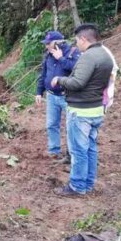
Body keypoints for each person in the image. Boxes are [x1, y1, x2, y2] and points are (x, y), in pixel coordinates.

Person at [51, 24, 114, 196]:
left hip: (81, 111)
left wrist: (60, 79)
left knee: (78, 150)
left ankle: (77, 186)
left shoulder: (88, 57)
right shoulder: (105, 55)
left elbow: (77, 82)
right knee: (90, 148)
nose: (76, 44)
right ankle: (87, 183)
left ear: (84, 39)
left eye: (77, 40)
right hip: (95, 109)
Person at [35, 30, 80, 162]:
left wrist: (60, 58)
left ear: (58, 42)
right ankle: (54, 150)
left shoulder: (73, 52)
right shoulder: (48, 55)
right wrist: (39, 92)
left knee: (71, 127)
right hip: (51, 96)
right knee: (51, 124)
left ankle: (71, 154)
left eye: (49, 43)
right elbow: (43, 74)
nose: (46, 46)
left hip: (67, 97)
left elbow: (76, 69)